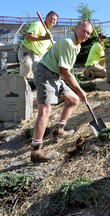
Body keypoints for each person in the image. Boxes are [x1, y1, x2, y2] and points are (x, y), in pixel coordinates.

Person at [30, 20, 93, 163]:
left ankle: (59, 130)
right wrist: (80, 90)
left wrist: (77, 91)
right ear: (76, 28)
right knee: (45, 110)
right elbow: (65, 71)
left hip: (56, 75)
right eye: (84, 31)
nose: (86, 35)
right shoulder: (67, 42)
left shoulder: (77, 46)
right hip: (45, 73)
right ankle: (36, 151)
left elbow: (67, 69)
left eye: (88, 33)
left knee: (74, 100)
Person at [18, 11, 58, 80]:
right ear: (46, 17)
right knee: (26, 72)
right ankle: (21, 89)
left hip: (38, 56)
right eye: (52, 18)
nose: (53, 21)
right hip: (27, 52)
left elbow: (50, 48)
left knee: (38, 75)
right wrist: (44, 37)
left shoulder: (49, 34)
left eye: (55, 20)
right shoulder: (38, 24)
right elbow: (28, 37)